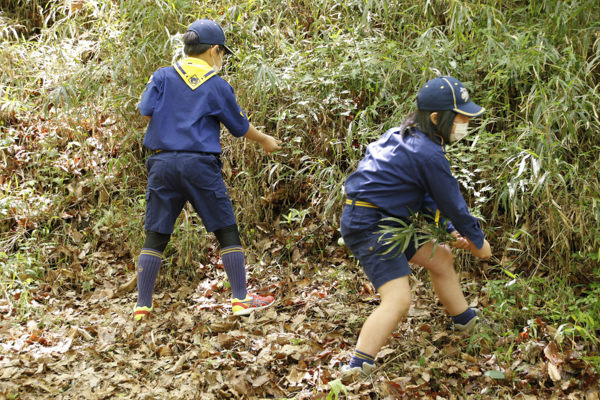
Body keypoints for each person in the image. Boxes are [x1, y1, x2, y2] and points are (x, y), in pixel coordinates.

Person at [339, 76, 492, 375]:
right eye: (459, 117)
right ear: (437, 118)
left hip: (384, 219)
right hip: (370, 224)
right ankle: (357, 368)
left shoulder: (405, 136)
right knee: (398, 299)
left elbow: (425, 195)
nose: (464, 123)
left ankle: (465, 321)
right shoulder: (428, 152)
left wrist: (450, 230)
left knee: (442, 257)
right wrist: (478, 241)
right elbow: (453, 203)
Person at [134, 19, 281, 321]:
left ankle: (142, 306)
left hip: (161, 163)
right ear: (214, 50)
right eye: (222, 53)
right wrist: (266, 140)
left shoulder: (162, 76)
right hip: (199, 164)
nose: (222, 59)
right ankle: (240, 299)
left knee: (156, 233)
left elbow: (146, 110)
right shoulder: (216, 85)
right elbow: (240, 127)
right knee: (225, 228)